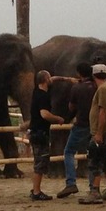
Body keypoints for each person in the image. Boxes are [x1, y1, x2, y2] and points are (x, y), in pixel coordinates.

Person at [78, 64, 106, 205]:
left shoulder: (102, 90)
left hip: (102, 132)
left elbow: (102, 112)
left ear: (94, 75)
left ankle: (95, 191)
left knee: (95, 162)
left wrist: (98, 133)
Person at [57, 62, 97, 199]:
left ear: (79, 73)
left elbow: (71, 107)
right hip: (94, 126)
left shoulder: (76, 88)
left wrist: (66, 118)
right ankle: (93, 186)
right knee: (93, 155)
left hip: (80, 125)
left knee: (68, 152)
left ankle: (71, 182)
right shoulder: (97, 87)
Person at [28, 70, 65, 201]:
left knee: (39, 161)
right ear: (45, 80)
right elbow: (45, 114)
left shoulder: (36, 92)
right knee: (40, 163)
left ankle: (35, 189)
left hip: (35, 132)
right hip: (40, 133)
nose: (51, 79)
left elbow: (53, 78)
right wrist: (58, 119)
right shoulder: (43, 96)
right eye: (49, 78)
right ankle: (37, 192)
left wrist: (67, 79)